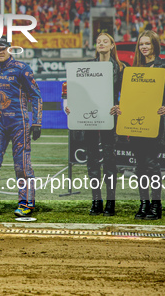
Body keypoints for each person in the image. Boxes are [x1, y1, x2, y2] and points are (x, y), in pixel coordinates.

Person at [0, 38, 43, 218]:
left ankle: (26, 203)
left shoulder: (21, 68)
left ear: (10, 49)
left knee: (22, 166)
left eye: (3, 49)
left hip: (19, 124)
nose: (0, 51)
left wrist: (37, 122)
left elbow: (36, 95)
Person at [123, 30, 165, 220]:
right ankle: (143, 203)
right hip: (135, 123)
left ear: (155, 44)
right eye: (141, 44)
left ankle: (157, 205)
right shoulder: (135, 66)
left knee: (152, 164)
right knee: (139, 165)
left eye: (147, 43)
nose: (144, 47)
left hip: (155, 121)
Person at [65, 32, 123, 216]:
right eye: (98, 41)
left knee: (109, 159)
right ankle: (96, 200)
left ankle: (110, 202)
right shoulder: (88, 66)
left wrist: (119, 106)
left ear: (112, 45)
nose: (101, 43)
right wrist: (70, 105)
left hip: (110, 118)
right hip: (90, 118)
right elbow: (77, 92)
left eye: (105, 41)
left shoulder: (121, 68)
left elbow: (127, 94)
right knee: (92, 160)